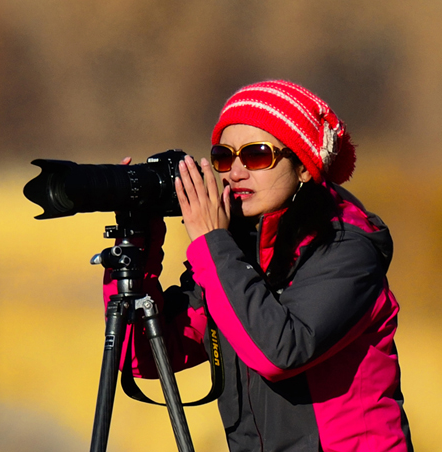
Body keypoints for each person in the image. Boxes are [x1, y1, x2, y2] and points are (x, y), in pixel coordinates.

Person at [103, 80, 413, 451]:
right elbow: (148, 357)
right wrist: (138, 243)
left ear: (303, 166)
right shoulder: (236, 249)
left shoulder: (346, 250)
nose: (235, 172)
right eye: (224, 157)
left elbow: (280, 352)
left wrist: (212, 244)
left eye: (257, 155)